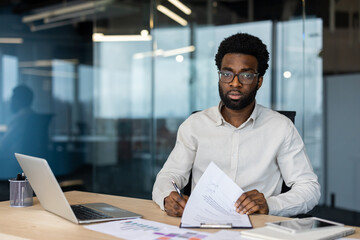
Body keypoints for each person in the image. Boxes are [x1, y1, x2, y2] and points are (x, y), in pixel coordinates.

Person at [152, 33, 320, 217]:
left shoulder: (281, 128)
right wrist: (168, 197)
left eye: (246, 75)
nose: (235, 83)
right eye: (227, 74)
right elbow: (168, 176)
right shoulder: (195, 125)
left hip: (257, 230)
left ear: (259, 81)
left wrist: (270, 205)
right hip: (203, 226)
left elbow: (309, 189)